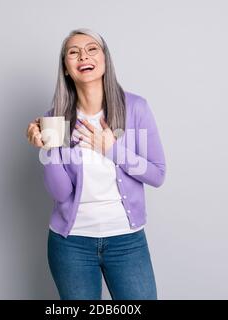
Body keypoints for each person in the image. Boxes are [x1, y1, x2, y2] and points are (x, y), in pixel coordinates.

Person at [26, 28, 166, 300]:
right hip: (71, 244)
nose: (83, 56)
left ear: (104, 59)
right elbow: (60, 193)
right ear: (66, 67)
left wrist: (112, 149)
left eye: (92, 49)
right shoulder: (56, 119)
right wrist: (49, 150)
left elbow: (157, 174)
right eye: (73, 52)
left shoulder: (135, 108)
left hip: (127, 241)